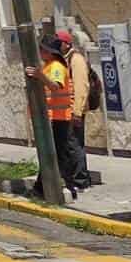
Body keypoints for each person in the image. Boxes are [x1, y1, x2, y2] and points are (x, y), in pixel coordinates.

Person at [25, 35, 84, 200]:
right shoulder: (49, 65)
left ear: (49, 52)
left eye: (42, 49)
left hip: (58, 118)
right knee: (54, 155)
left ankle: (61, 188)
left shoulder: (56, 66)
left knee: (56, 155)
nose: (40, 52)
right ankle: (44, 188)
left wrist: (39, 76)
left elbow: (55, 87)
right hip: (54, 117)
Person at [56, 29, 93, 191]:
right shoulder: (64, 59)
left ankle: (81, 180)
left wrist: (77, 112)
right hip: (65, 110)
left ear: (66, 43)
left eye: (58, 42)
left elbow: (81, 86)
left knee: (75, 145)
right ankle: (72, 178)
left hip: (74, 110)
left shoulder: (76, 59)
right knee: (68, 145)